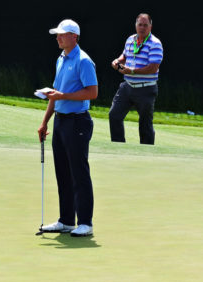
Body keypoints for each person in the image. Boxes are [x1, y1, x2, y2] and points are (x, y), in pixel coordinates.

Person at [37, 19, 98, 237]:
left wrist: (64, 96)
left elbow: (92, 92)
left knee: (79, 172)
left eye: (62, 34)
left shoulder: (84, 61)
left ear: (74, 36)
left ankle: (85, 223)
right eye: (57, 34)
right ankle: (66, 220)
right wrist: (45, 122)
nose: (58, 37)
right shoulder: (61, 59)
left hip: (78, 121)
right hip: (61, 121)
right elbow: (56, 91)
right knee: (62, 172)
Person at [109, 13, 163, 145]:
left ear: (150, 26)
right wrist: (118, 60)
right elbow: (125, 55)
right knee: (114, 115)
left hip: (146, 88)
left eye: (145, 25)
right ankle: (118, 147)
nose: (142, 28)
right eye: (140, 24)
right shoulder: (130, 39)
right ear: (135, 25)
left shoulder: (155, 44)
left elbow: (153, 68)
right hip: (127, 86)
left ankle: (146, 153)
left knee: (145, 124)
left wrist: (132, 71)